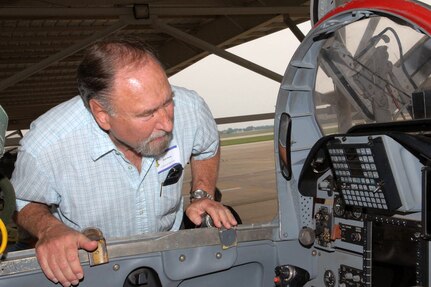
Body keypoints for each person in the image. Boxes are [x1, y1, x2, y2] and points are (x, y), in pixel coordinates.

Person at [11, 35, 237, 287]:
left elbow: (207, 147)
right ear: (102, 115)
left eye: (167, 101)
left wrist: (202, 195)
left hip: (168, 264)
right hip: (92, 273)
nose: (167, 123)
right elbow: (23, 201)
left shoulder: (190, 108)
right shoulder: (46, 145)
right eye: (147, 113)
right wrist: (48, 229)